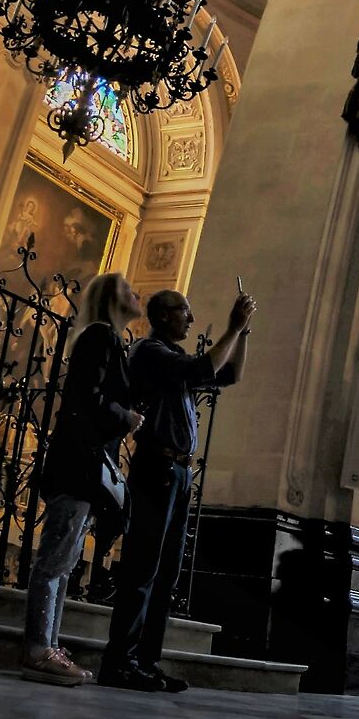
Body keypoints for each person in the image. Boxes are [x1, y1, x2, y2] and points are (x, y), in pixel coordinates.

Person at [98, 286, 253, 692]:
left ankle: (146, 663)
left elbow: (230, 374)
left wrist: (243, 333)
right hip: (158, 468)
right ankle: (121, 661)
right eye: (185, 311)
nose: (192, 319)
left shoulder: (176, 360)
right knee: (143, 568)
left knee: (166, 573)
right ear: (164, 316)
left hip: (180, 474)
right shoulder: (151, 353)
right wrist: (233, 326)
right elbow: (204, 368)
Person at [21, 273, 144, 686]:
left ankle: (50, 644)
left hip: (82, 465)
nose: (136, 294)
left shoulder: (110, 340)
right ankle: (40, 651)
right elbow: (85, 398)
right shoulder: (101, 337)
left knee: (65, 559)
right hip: (78, 465)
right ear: (111, 298)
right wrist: (125, 417)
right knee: (55, 560)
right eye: (129, 289)